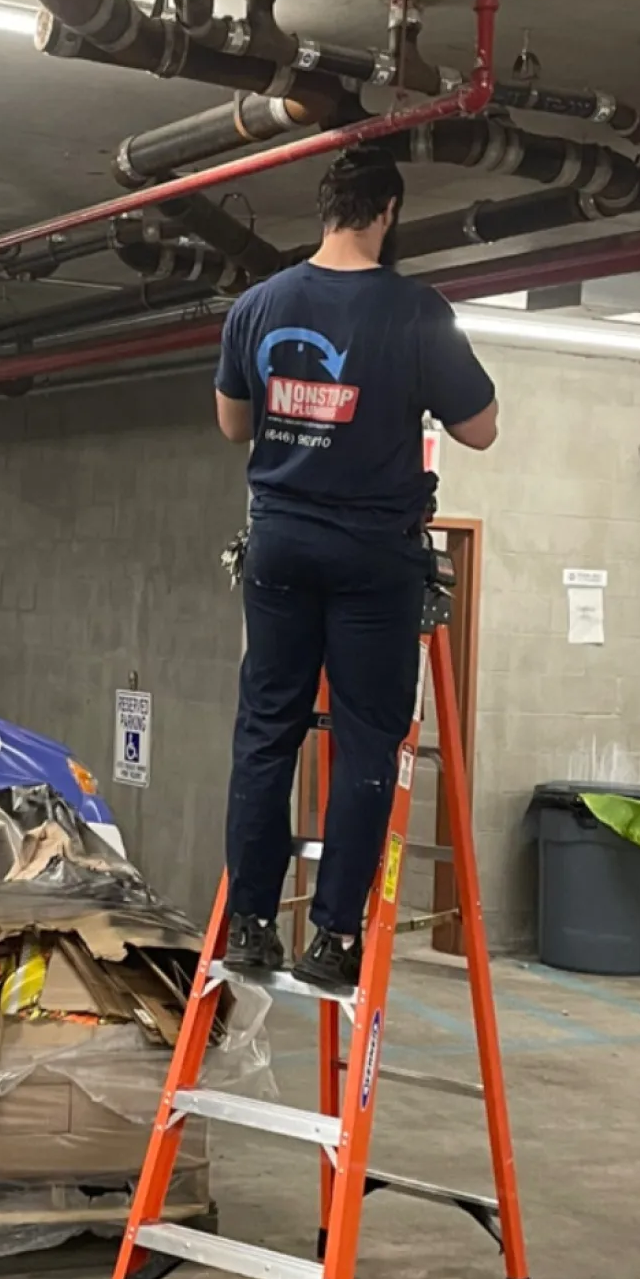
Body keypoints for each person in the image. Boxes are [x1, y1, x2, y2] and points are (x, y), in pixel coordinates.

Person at [214, 147, 499, 992]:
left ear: (325, 210)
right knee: (369, 741)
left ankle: (252, 924)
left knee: (268, 729)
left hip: (280, 544)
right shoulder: (418, 311)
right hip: (375, 556)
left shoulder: (257, 307)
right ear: (388, 213)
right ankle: (334, 936)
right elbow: (479, 429)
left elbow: (234, 425)